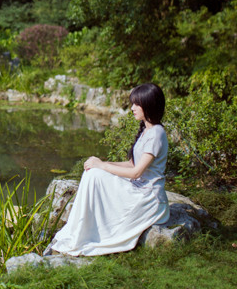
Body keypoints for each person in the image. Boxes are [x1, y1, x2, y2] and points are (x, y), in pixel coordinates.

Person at [46, 83, 170, 256]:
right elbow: (131, 164)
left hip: (149, 198)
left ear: (149, 105)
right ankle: (80, 229)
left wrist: (102, 166)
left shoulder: (156, 133)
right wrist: (101, 163)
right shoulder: (147, 131)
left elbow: (136, 172)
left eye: (137, 104)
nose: (132, 108)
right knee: (93, 172)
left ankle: (84, 231)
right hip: (138, 189)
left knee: (95, 174)